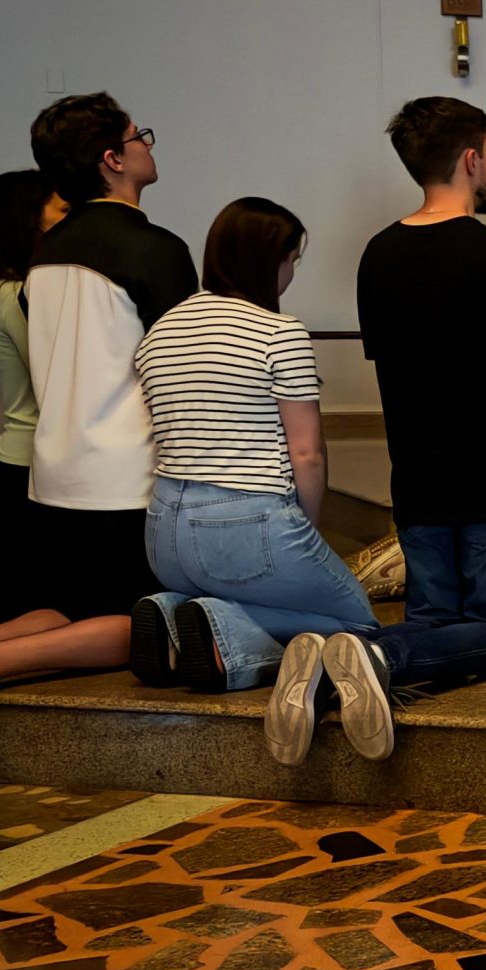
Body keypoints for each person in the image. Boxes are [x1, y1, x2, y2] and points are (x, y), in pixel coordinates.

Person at [274, 98, 486, 764]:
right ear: (470, 158)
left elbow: (398, 365)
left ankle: (325, 677)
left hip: (420, 474)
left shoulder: (379, 255)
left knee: (438, 626)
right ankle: (373, 650)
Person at [132, 200, 382, 752]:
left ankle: (177, 613)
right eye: (292, 258)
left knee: (299, 609)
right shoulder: (277, 332)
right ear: (271, 260)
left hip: (164, 529)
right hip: (247, 527)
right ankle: (228, 636)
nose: (292, 272)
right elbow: (307, 453)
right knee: (358, 628)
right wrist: (310, 533)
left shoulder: (161, 330)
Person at [24, 94, 195, 647]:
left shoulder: (44, 252)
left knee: (69, 612)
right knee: (140, 629)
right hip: (129, 478)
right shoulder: (155, 249)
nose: (147, 143)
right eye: (137, 135)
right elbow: (182, 372)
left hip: (52, 473)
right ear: (112, 160)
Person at [0, 171, 68, 616]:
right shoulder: (17, 294)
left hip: (23, 468)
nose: (73, 218)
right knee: (45, 609)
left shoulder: (4, 290)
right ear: (27, 220)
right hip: (28, 472)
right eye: (61, 209)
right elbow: (57, 380)